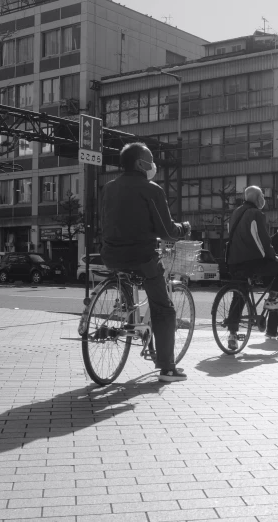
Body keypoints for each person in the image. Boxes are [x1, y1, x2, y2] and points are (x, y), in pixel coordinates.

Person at [100, 142, 191, 382]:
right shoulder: (151, 189)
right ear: (140, 163)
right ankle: (167, 367)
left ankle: (126, 309)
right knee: (164, 308)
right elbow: (167, 230)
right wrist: (184, 228)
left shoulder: (109, 188)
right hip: (142, 257)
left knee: (126, 277)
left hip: (111, 255)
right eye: (150, 159)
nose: (154, 165)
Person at [225, 186, 278, 351]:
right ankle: (272, 298)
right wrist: (275, 257)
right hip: (251, 261)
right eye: (262, 196)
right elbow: (262, 239)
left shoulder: (236, 212)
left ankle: (232, 335)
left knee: (239, 294)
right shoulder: (256, 214)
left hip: (233, 261)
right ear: (257, 197)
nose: (263, 199)